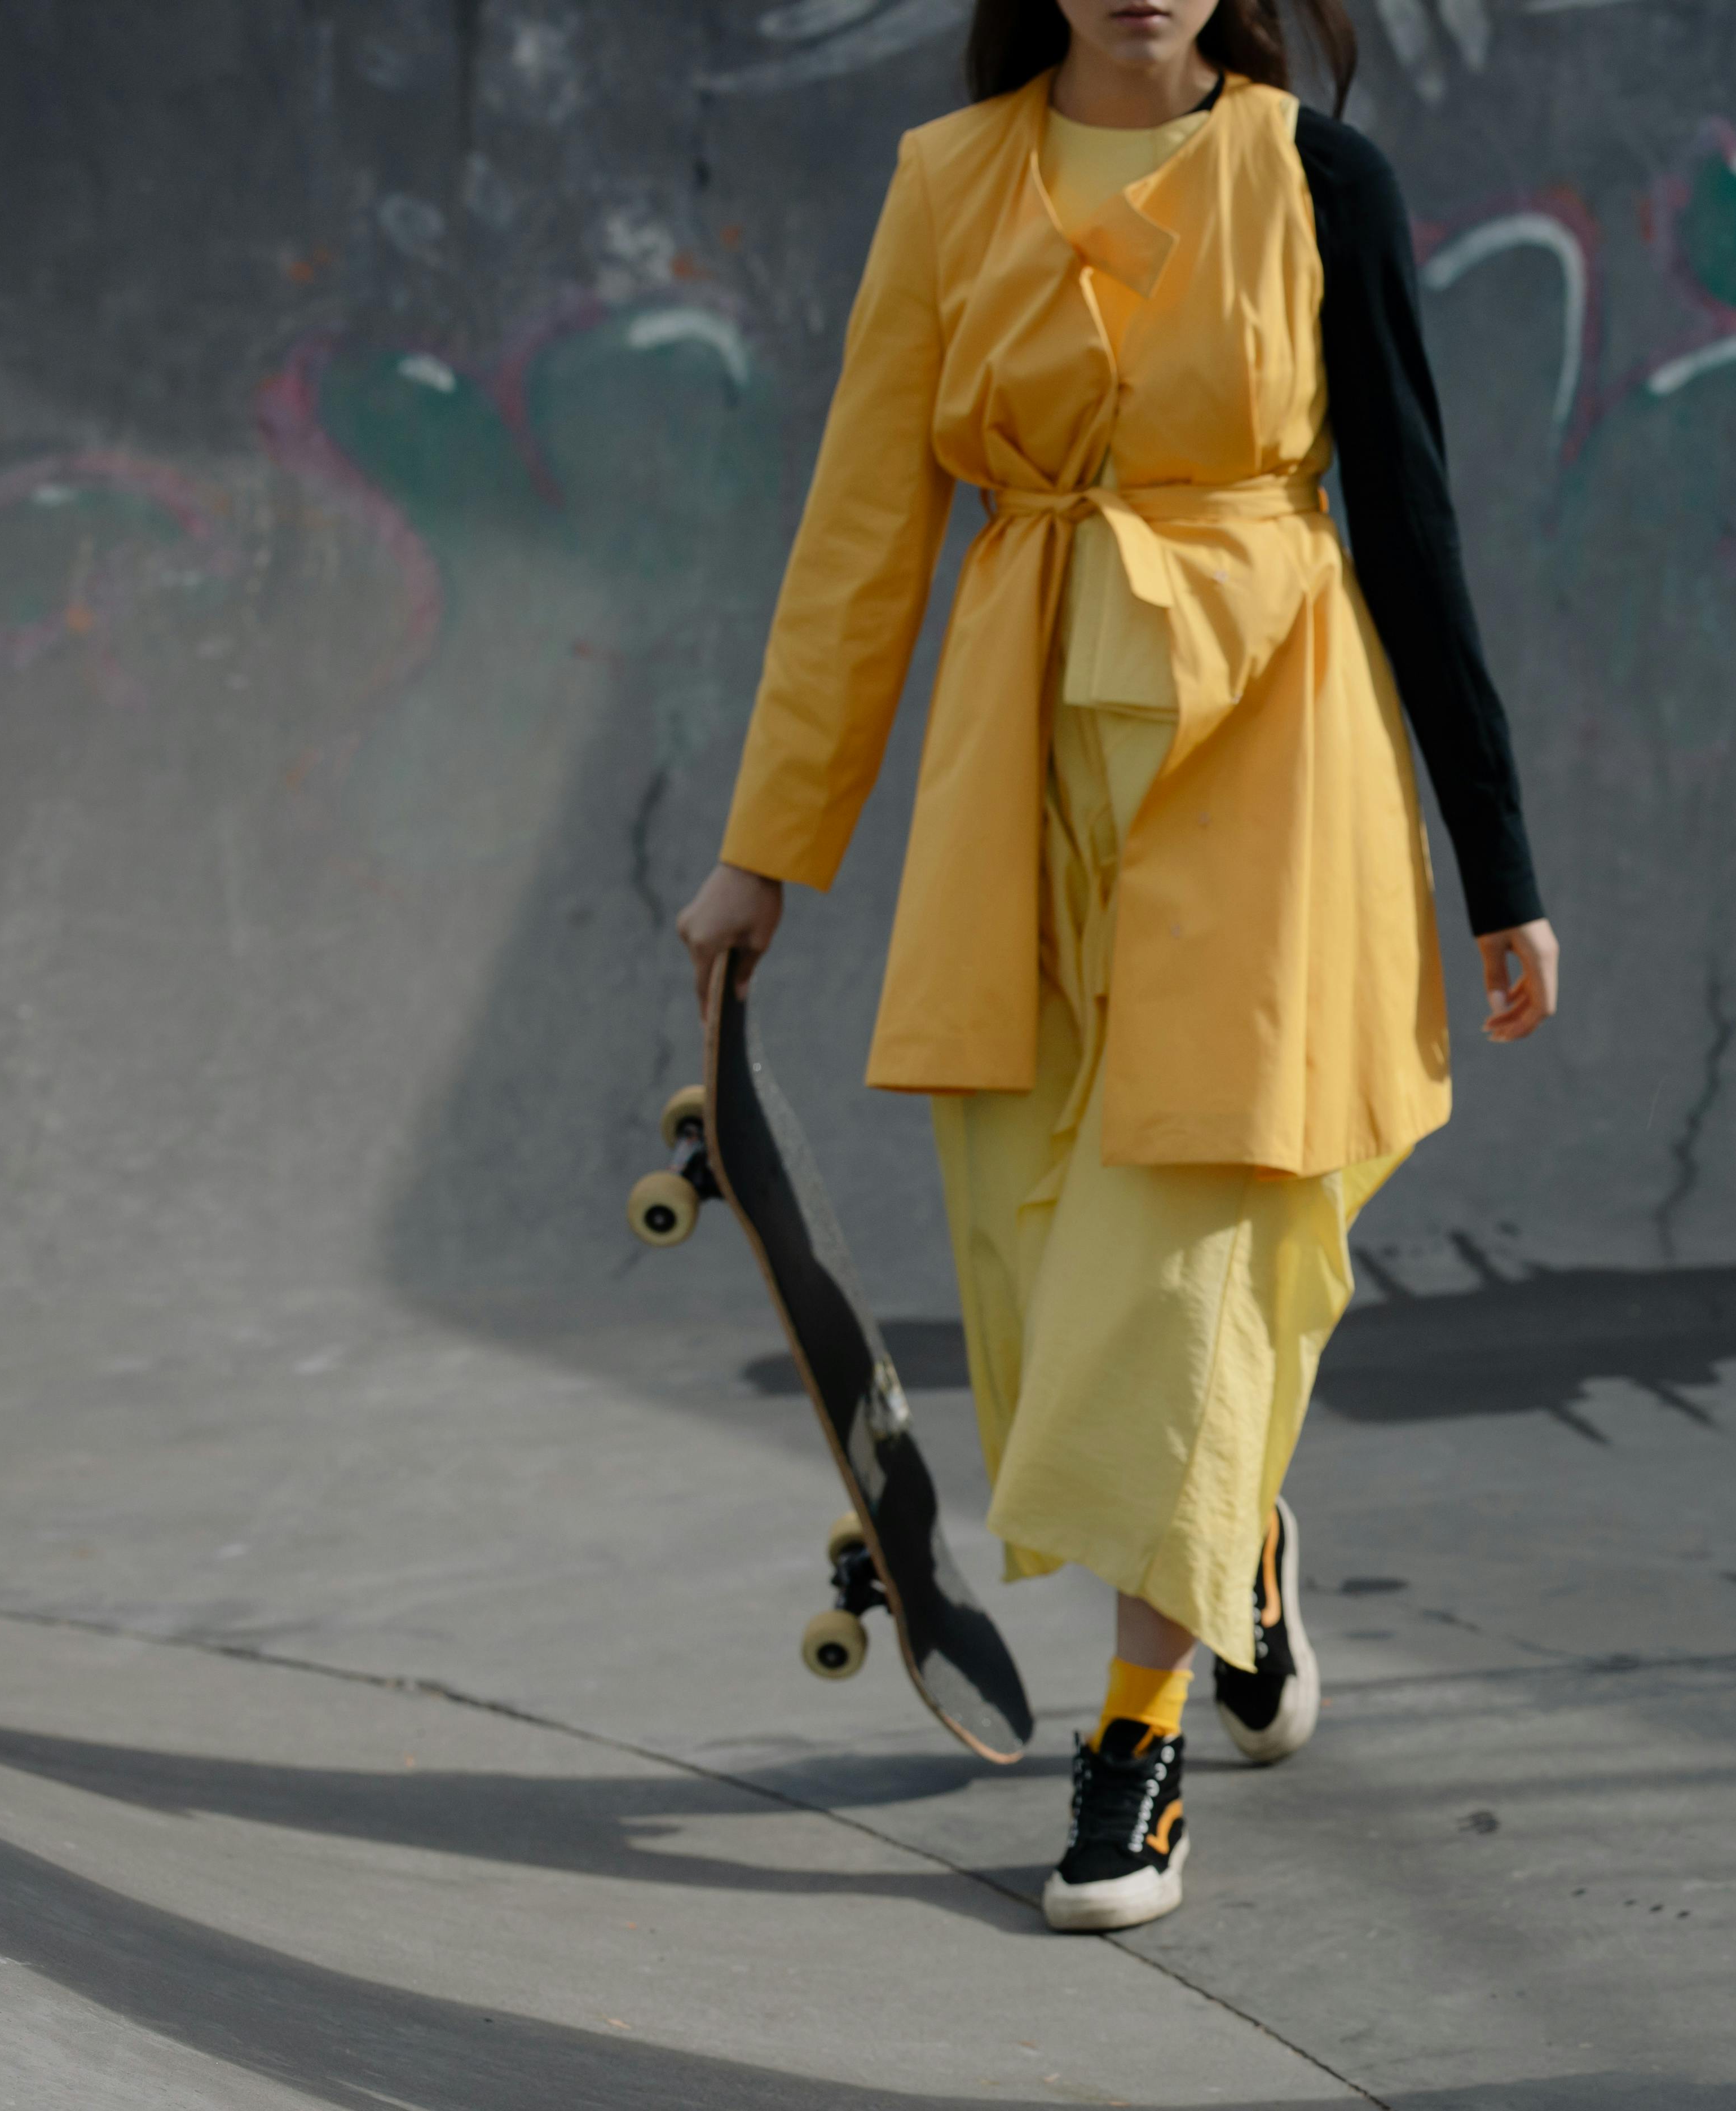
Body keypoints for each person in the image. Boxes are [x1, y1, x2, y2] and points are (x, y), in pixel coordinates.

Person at [676, 0, 1556, 1934]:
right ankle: (1234, 1538)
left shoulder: (1322, 178)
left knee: (1189, 1241)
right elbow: (862, 532)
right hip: (1022, 766)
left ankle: (1135, 1745)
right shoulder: (949, 183)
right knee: (1042, 1254)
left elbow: (1409, 521)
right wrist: (769, 847)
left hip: (1270, 749)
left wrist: (1498, 868)